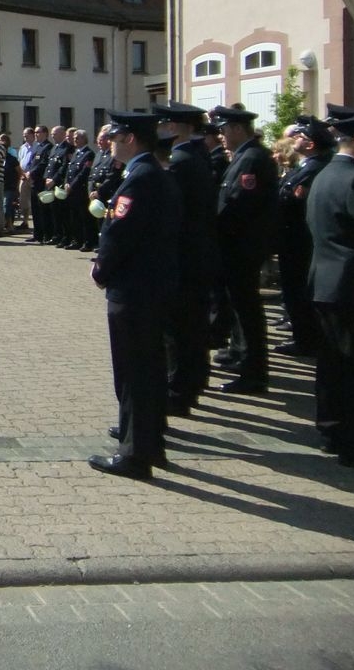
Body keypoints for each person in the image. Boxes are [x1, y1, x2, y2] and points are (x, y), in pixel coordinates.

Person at [88, 111, 181, 480]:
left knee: (133, 373)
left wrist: (100, 270)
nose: (110, 142)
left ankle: (134, 455)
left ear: (130, 139)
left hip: (134, 289)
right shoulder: (152, 173)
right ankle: (149, 442)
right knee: (149, 369)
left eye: (115, 136)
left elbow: (119, 235)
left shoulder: (140, 177)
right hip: (152, 287)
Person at [154, 101, 218, 415]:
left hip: (182, 257)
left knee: (178, 331)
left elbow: (170, 214)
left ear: (174, 127)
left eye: (164, 123)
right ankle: (192, 383)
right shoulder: (197, 154)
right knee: (192, 327)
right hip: (197, 253)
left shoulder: (180, 161)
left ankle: (178, 392)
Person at [210, 105, 278, 394]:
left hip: (242, 247)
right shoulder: (245, 155)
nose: (221, 135)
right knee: (240, 307)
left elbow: (239, 206)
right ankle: (241, 354)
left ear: (238, 129)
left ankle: (254, 373)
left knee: (247, 309)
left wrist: (214, 231)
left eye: (224, 130)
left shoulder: (252, 158)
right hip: (238, 246)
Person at [306, 110, 354, 468]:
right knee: (350, 366)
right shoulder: (353, 179)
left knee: (330, 363)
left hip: (324, 280)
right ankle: (350, 442)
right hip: (348, 284)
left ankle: (330, 430)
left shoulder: (325, 173)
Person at [276, 116, 334, 362]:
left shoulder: (315, 167)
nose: (295, 139)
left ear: (310, 144)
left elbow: (292, 199)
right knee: (294, 291)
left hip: (299, 239)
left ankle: (306, 341)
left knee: (298, 291)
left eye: (301, 136)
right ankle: (303, 337)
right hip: (291, 238)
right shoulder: (307, 165)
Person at [26, 126, 53, 243]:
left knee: (43, 210)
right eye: (35, 132)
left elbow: (43, 164)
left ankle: (46, 235)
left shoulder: (48, 147)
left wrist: (31, 173)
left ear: (45, 133)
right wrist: (28, 172)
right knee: (35, 210)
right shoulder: (37, 146)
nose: (36, 134)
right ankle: (37, 234)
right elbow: (32, 162)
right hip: (34, 182)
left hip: (41, 182)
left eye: (38, 132)